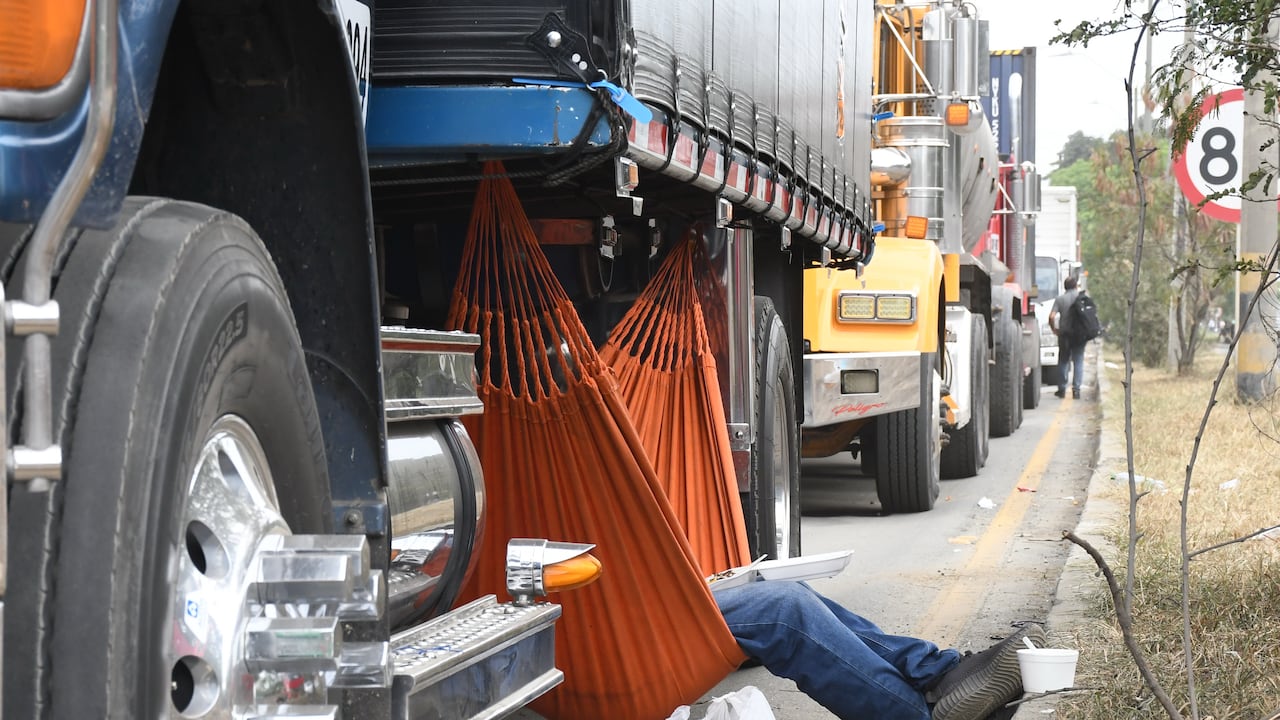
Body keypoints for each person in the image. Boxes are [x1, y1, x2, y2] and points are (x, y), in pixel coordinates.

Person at [714, 580, 1046, 720]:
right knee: (783, 610)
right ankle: (923, 709)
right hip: (662, 621)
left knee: (791, 592)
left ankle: (939, 677)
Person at [1048, 275, 1085, 399]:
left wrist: (1054, 329)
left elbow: (1052, 316)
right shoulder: (1082, 298)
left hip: (1064, 334)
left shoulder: (1060, 299)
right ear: (1076, 286)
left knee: (1063, 361)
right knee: (1078, 361)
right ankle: (1076, 389)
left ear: (1064, 287)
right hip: (1079, 335)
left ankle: (1062, 389)